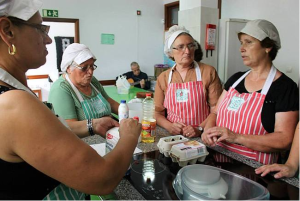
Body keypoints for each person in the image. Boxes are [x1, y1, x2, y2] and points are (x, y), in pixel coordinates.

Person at [0, 0, 141, 199]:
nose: (48, 40)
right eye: (41, 29)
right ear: (8, 31)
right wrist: (129, 136)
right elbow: (102, 178)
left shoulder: (12, 92)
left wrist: (93, 124)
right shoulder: (14, 103)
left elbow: (51, 132)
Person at [201, 19, 299, 165]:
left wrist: (236, 137)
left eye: (249, 42)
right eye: (241, 42)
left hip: (255, 168)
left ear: (268, 47)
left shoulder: (284, 87)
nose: (242, 48)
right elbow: (215, 113)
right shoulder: (235, 80)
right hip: (219, 159)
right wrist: (207, 131)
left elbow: (284, 139)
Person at [155, 25, 222, 138]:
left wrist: (199, 129)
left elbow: (216, 109)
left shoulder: (208, 72)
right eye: (180, 47)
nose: (187, 51)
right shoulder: (163, 77)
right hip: (173, 136)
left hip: (202, 135)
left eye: (190, 46)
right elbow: (157, 112)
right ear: (170, 52)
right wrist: (169, 126)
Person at [48, 43, 120, 138]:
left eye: (92, 66)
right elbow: (68, 128)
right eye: (84, 67)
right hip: (86, 142)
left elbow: (110, 103)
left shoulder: (92, 82)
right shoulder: (61, 89)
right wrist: (95, 124)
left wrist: (129, 112)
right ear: (69, 68)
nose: (90, 72)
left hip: (109, 133)